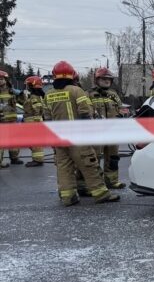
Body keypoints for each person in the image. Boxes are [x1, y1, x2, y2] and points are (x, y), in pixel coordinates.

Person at [45, 61, 119, 206]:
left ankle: (68, 197)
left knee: (64, 167)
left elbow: (46, 118)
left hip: (59, 138)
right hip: (77, 137)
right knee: (90, 165)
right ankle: (101, 194)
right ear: (72, 75)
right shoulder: (76, 90)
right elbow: (85, 112)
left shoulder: (49, 94)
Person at [89, 67, 126, 189]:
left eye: (109, 79)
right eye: (104, 79)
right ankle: (97, 184)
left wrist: (122, 114)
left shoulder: (113, 95)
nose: (106, 81)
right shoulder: (89, 95)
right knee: (94, 159)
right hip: (96, 133)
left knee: (113, 157)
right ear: (97, 80)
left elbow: (122, 108)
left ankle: (112, 181)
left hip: (113, 132)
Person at [22, 75, 48, 167]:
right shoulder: (37, 96)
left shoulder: (34, 97)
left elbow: (37, 109)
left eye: (28, 85)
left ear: (32, 85)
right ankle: (37, 159)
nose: (27, 87)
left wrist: (36, 124)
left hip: (33, 121)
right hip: (32, 121)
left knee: (35, 142)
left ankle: (37, 160)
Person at [0, 70, 22, 166]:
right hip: (1, 121)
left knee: (14, 141)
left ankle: (14, 158)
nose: (0, 81)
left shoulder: (12, 91)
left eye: (1, 79)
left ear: (6, 80)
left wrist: (21, 94)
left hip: (12, 120)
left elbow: (22, 101)